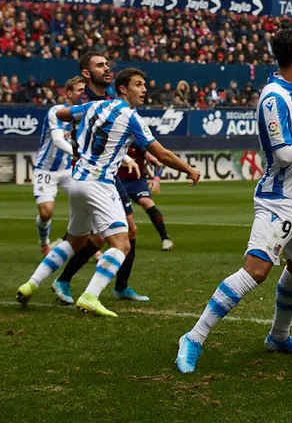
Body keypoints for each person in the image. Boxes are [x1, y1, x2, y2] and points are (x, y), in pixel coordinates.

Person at [175, 28, 292, 374]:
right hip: (279, 198)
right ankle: (193, 337)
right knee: (257, 270)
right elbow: (282, 154)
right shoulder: (273, 97)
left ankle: (279, 336)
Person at [16, 68, 200, 317]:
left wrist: (80, 129)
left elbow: (61, 113)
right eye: (138, 84)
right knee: (122, 245)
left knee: (74, 241)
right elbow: (162, 153)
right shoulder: (131, 117)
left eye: (144, 84)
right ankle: (91, 296)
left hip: (77, 180)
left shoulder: (93, 107)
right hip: (100, 183)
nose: (144, 89)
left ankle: (31, 284)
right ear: (123, 89)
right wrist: (189, 169)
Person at [50, 52, 151, 304]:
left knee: (119, 232)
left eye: (107, 65)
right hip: (92, 174)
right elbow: (69, 123)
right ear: (87, 73)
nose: (107, 69)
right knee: (95, 236)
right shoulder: (88, 100)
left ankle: (119, 286)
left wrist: (126, 158)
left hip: (106, 172)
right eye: (101, 65)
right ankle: (65, 280)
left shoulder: (105, 99)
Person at [32, 76, 84, 255]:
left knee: (87, 203)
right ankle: (44, 242)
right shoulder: (56, 111)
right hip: (46, 169)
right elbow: (57, 141)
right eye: (79, 90)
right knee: (46, 213)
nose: (83, 94)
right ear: (69, 93)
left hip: (67, 169)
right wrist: (80, 155)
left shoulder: (84, 114)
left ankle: (82, 244)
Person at [118, 146, 174, 251]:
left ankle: (165, 238)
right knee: (121, 214)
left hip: (137, 181)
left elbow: (158, 162)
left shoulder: (141, 142)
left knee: (147, 202)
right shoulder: (115, 140)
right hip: (118, 181)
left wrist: (156, 178)